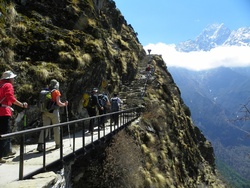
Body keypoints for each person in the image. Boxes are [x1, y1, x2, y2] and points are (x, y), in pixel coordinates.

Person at [0, 70, 28, 163]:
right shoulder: (8, 85)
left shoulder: (0, 85)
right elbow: (11, 98)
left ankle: (8, 150)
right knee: (5, 133)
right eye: (12, 78)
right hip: (4, 112)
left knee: (3, 132)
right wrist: (22, 105)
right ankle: (1, 155)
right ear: (9, 78)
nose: (13, 79)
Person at [37, 79, 68, 152]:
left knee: (45, 127)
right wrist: (65, 104)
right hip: (54, 112)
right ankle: (58, 144)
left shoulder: (46, 90)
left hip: (45, 112)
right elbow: (59, 103)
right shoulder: (56, 92)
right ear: (56, 84)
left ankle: (40, 145)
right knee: (56, 127)